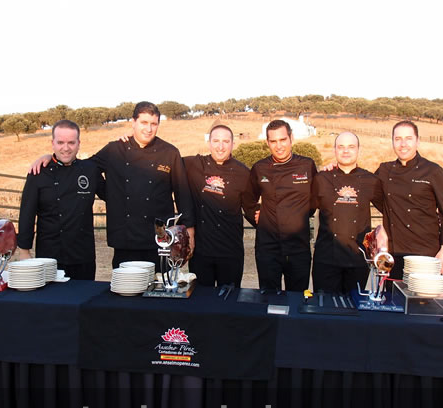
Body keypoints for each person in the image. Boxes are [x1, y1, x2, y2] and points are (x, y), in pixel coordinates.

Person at [29, 102, 195, 268]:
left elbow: (183, 194)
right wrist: (51, 157)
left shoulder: (170, 152)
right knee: (126, 291)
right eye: (144, 123)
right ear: (133, 123)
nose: (149, 129)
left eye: (153, 124)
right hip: (125, 240)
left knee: (160, 289)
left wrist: (189, 229)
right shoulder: (115, 150)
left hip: (160, 240)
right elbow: (84, 169)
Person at [17, 119, 105, 280]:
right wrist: (24, 251)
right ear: (53, 143)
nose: (66, 148)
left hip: (83, 255)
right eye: (60, 142)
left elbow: (112, 196)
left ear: (78, 143)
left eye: (71, 143)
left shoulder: (90, 170)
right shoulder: (38, 173)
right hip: (50, 255)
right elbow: (27, 214)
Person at [375, 120, 443, 278]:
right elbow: (364, 188)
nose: (403, 144)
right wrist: (335, 168)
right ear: (392, 141)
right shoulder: (384, 170)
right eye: (398, 139)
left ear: (417, 141)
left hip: (426, 251)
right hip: (394, 252)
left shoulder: (433, 171)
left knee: (424, 299)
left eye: (408, 138)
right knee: (393, 299)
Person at [242, 119, 316, 291]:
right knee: (268, 299)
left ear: (291, 138)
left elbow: (314, 200)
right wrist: (259, 218)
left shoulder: (307, 165)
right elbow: (248, 201)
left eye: (283, 140)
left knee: (297, 300)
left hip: (299, 247)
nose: (279, 146)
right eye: (273, 141)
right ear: (267, 143)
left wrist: (300, 216)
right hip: (268, 248)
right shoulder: (259, 168)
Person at [312, 132, 384, 293]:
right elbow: (305, 209)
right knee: (324, 309)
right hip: (325, 259)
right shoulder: (321, 178)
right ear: (334, 150)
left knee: (353, 310)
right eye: (341, 147)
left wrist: (382, 233)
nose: (346, 151)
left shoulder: (370, 180)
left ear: (358, 150)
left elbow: (390, 210)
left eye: (351, 147)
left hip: (358, 259)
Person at [184, 124, 251, 287]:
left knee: (229, 305)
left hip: (231, 252)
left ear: (233, 144)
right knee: (201, 302)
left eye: (226, 141)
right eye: (216, 141)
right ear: (209, 143)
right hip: (200, 251)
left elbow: (252, 206)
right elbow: (167, 160)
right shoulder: (193, 165)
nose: (220, 147)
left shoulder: (244, 173)